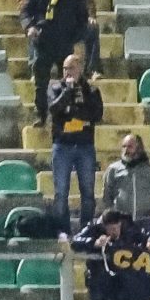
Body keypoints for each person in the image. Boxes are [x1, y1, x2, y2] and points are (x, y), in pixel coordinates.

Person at [22, 0, 95, 110]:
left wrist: (75, 37)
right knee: (41, 82)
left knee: (71, 80)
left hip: (64, 42)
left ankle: (71, 111)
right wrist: (30, 27)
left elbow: (83, 18)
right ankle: (40, 113)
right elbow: (26, 11)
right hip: (43, 41)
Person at [44, 51, 104, 223]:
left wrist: (71, 111)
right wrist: (67, 93)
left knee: (87, 192)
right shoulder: (55, 87)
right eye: (64, 69)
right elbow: (54, 109)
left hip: (85, 145)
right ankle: (63, 228)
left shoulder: (91, 90)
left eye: (71, 68)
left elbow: (96, 114)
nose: (67, 72)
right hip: (62, 145)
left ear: (80, 69)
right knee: (61, 192)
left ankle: (86, 228)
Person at [102, 134, 150, 222]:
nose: (126, 150)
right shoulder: (113, 169)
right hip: (122, 220)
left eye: (130, 147)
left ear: (139, 148)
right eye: (124, 146)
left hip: (144, 218)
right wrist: (115, 210)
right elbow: (107, 194)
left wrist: (148, 206)